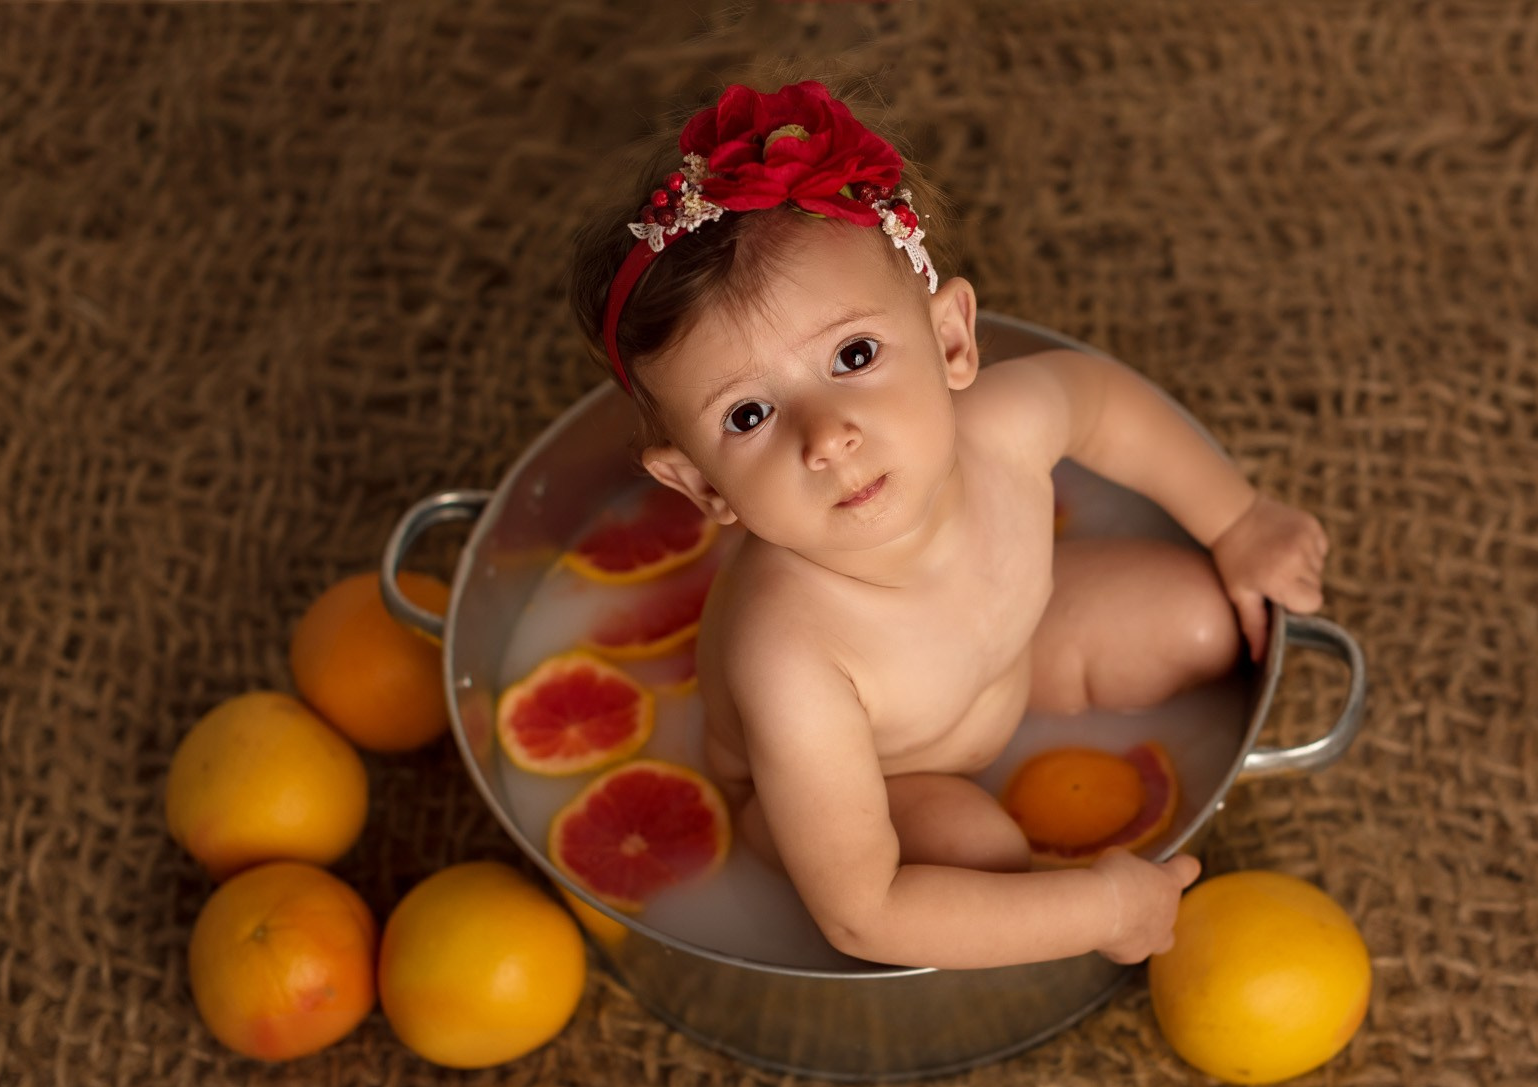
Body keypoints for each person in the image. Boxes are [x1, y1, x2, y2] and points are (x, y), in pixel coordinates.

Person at [567, 79, 1327, 970]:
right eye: (748, 415)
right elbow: (864, 913)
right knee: (982, 857)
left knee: (1200, 618)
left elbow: (1100, 403)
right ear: (703, 485)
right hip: (880, 784)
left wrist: (1239, 519)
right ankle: (1028, 904)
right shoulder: (792, 655)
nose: (828, 436)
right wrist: (1103, 906)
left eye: (854, 355)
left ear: (953, 342)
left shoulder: (1001, 429)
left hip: (1011, 660)